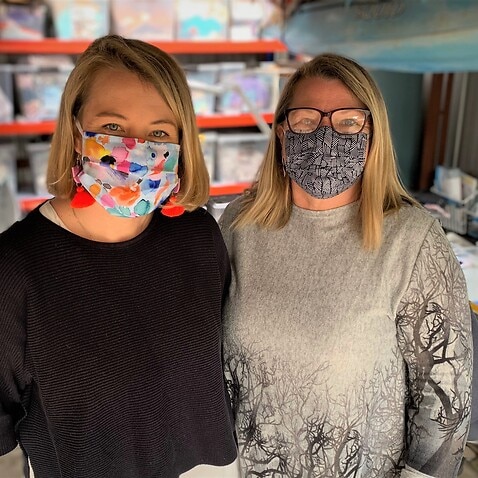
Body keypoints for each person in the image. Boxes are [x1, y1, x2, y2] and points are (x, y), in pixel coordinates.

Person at [219, 52, 473, 477]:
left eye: (348, 121)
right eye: (306, 119)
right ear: (283, 131)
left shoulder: (413, 241)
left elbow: (445, 399)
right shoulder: (239, 224)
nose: (325, 133)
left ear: (371, 133)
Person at [0, 35, 239, 478]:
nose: (136, 149)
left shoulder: (199, 238)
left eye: (159, 133)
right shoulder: (15, 269)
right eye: (112, 128)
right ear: (75, 132)